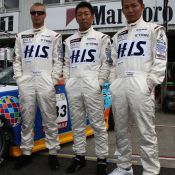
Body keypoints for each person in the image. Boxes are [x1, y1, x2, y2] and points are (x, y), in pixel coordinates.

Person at [109, 0, 167, 175]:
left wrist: (149, 83)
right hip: (120, 86)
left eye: (134, 5)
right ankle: (124, 166)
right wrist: (113, 83)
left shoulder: (154, 30)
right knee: (120, 130)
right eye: (126, 7)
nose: (130, 9)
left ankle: (150, 170)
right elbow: (112, 62)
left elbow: (160, 58)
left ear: (142, 7)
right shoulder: (118, 35)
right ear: (122, 10)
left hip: (141, 84)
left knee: (145, 131)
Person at [63, 1, 112, 175]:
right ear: (75, 17)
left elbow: (107, 63)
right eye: (79, 14)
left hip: (92, 87)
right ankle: (79, 157)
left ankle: (101, 160)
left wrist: (99, 83)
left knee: (98, 125)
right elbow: (66, 64)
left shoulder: (102, 38)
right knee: (76, 125)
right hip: (74, 88)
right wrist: (68, 83)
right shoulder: (69, 41)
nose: (83, 17)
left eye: (86, 14)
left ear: (92, 16)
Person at [13, 2, 63, 170]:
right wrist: (20, 79)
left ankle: (53, 153)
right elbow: (16, 60)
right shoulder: (21, 36)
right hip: (26, 82)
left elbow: (58, 61)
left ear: (45, 15)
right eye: (33, 13)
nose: (36, 16)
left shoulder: (54, 36)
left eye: (39, 13)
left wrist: (53, 80)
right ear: (30, 14)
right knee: (27, 120)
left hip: (45, 83)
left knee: (50, 119)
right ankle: (26, 153)